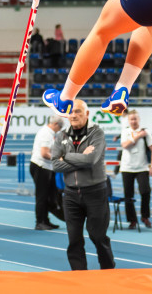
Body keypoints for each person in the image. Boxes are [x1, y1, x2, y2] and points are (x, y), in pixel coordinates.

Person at [51, 99, 114, 270]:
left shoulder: (97, 133)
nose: (74, 115)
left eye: (78, 111)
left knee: (98, 236)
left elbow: (90, 160)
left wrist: (67, 156)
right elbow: (55, 164)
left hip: (95, 192)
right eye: (71, 111)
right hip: (70, 194)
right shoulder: (61, 135)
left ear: (87, 114)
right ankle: (79, 275)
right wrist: (78, 159)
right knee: (74, 239)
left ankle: (108, 270)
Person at [120, 109, 152, 229]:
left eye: (135, 119)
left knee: (145, 191)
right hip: (127, 167)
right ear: (128, 120)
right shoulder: (125, 132)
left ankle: (145, 216)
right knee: (128, 195)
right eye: (131, 119)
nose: (133, 121)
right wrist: (138, 136)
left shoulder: (146, 132)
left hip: (142, 167)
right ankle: (132, 220)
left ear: (139, 120)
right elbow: (125, 145)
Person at [30, 115, 66, 230]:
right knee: (42, 195)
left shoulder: (49, 133)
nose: (59, 130)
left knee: (48, 195)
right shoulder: (46, 133)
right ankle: (39, 221)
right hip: (41, 167)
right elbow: (44, 153)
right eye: (59, 128)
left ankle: (45, 220)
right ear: (55, 124)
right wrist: (58, 159)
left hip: (45, 167)